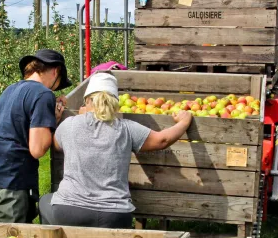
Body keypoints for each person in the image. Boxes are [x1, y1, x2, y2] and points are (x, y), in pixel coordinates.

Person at [39, 72, 192, 229]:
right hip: (115, 215)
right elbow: (162, 140)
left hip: (70, 211)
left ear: (87, 100)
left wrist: (59, 120)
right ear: (114, 103)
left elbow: (56, 145)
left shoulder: (69, 125)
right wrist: (184, 122)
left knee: (44, 201)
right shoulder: (125, 128)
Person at [0, 49, 71, 223]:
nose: (55, 89)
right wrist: (53, 122)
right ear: (56, 71)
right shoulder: (43, 94)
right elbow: (37, 149)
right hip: (8, 175)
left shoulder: (12, 88)